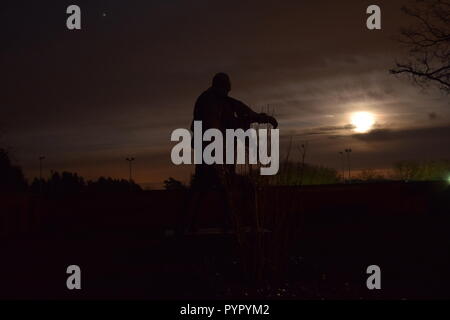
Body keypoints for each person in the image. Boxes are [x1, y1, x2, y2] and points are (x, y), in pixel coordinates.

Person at [183, 73, 277, 234]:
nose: (227, 91)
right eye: (226, 87)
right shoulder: (209, 101)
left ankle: (200, 224)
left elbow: (242, 111)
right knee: (218, 188)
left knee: (207, 189)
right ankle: (227, 224)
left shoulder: (221, 101)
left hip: (215, 152)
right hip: (212, 153)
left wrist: (263, 118)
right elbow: (212, 126)